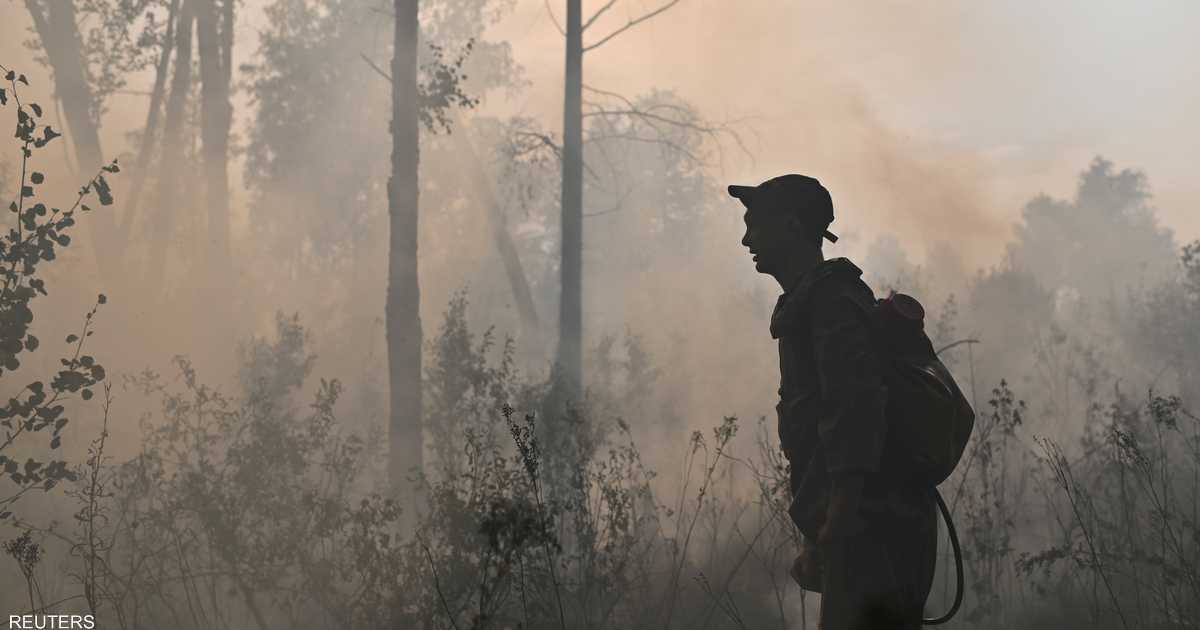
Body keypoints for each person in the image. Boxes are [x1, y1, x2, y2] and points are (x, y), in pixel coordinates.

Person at [729, 174, 938, 629]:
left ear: (789, 225)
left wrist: (838, 523)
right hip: (859, 525)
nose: (746, 239)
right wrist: (819, 537)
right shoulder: (811, 301)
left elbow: (855, 413)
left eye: (755, 224)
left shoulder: (831, 302)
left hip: (874, 529)